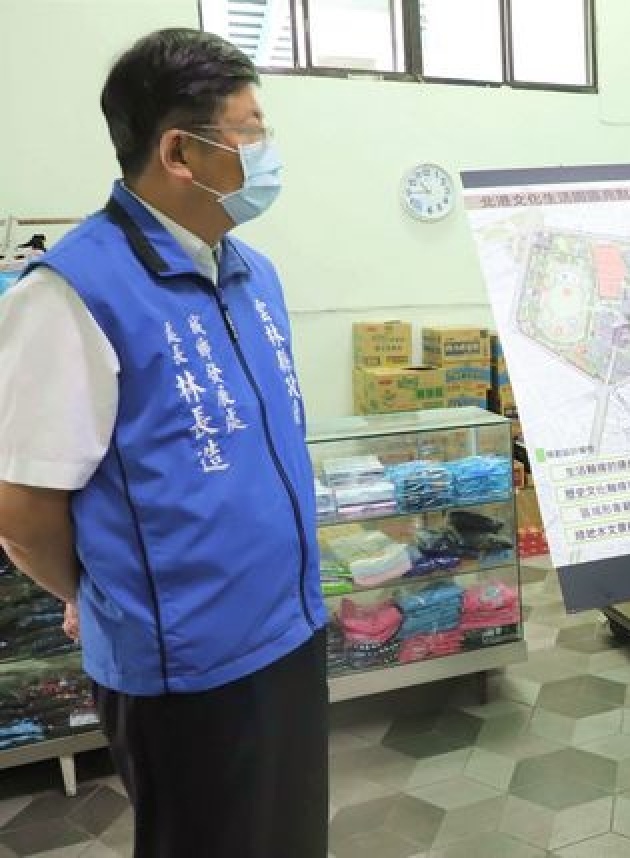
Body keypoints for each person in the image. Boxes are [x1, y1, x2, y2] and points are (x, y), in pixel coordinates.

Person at [0, 29, 328, 858]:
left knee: (289, 839)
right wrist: (99, 590)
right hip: (186, 667)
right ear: (180, 152)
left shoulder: (250, 273)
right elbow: (22, 509)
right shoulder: (71, 294)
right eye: (251, 132)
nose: (267, 152)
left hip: (288, 629)